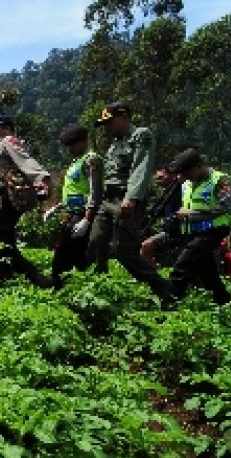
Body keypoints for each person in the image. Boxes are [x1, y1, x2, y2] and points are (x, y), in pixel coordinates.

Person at [87, 101, 170, 302]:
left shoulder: (141, 135)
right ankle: (100, 288)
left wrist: (131, 197)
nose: (107, 127)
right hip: (108, 200)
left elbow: (141, 167)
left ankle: (163, 287)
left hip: (126, 200)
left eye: (110, 121)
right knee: (95, 241)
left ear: (124, 117)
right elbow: (112, 173)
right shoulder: (114, 144)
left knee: (124, 251)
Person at [0, 115, 53, 287]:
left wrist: (42, 181)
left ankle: (33, 277)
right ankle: (8, 275)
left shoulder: (6, 144)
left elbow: (26, 161)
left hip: (4, 200)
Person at [164, 148, 231, 305]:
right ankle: (224, 303)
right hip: (193, 232)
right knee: (208, 273)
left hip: (212, 231)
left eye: (186, 173)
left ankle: (167, 307)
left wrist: (192, 213)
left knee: (182, 267)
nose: (183, 177)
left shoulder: (220, 180)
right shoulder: (187, 183)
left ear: (199, 166)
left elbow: (225, 206)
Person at [46, 124, 102, 287]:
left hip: (82, 215)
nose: (69, 149)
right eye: (67, 146)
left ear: (84, 141)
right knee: (78, 257)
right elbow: (73, 191)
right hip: (71, 214)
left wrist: (86, 219)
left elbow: (94, 192)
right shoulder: (75, 162)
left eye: (73, 144)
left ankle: (59, 287)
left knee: (62, 256)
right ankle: (78, 289)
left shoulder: (91, 160)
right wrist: (56, 208)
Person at [140, 167, 184, 266]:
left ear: (172, 175)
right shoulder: (168, 192)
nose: (157, 179)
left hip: (186, 233)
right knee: (146, 246)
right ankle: (150, 275)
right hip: (170, 233)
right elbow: (159, 212)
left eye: (160, 177)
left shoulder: (182, 189)